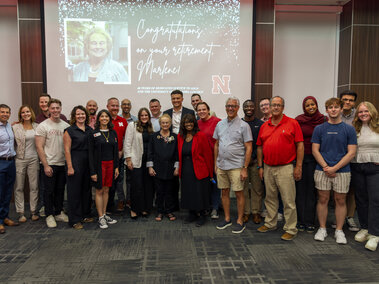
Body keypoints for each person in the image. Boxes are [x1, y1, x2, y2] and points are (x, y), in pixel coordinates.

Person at [256, 96, 304, 241]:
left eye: (278, 105)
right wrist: (260, 166)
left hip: (286, 167)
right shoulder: (265, 125)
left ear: (283, 107)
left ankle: (290, 228)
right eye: (273, 105)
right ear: (269, 107)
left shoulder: (292, 123)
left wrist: (299, 166)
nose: (275, 107)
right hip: (268, 167)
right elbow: (259, 147)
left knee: (288, 200)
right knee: (270, 198)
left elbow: (300, 145)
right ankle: (270, 223)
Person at [312, 98, 357, 244]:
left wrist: (335, 168)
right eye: (330, 107)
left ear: (341, 109)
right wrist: (326, 167)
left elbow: (351, 153)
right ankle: (323, 228)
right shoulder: (319, 129)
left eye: (336, 107)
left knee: (340, 200)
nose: (333, 109)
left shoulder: (349, 129)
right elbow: (315, 150)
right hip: (322, 170)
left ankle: (339, 230)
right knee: (323, 199)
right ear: (326, 110)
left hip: (342, 171)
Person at [214, 97, 252, 234]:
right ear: (225, 107)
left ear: (238, 108)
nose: (230, 108)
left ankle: (240, 221)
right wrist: (215, 164)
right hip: (222, 165)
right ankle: (227, 218)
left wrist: (245, 168)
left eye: (233, 106)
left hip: (237, 166)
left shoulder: (244, 126)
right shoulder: (220, 124)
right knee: (224, 192)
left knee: (238, 193)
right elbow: (217, 144)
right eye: (228, 106)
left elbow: (248, 147)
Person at [35, 99, 70, 228]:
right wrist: (45, 165)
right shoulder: (43, 126)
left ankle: (58, 212)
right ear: (49, 109)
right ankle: (49, 215)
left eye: (57, 108)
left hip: (62, 164)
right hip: (49, 163)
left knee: (60, 190)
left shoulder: (66, 126)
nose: (55, 110)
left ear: (61, 109)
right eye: (53, 108)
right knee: (49, 191)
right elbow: (39, 147)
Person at [295, 96, 327, 233]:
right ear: (304, 107)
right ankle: (300, 220)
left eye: (312, 104)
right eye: (307, 105)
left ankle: (310, 221)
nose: (310, 107)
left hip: (318, 159)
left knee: (313, 191)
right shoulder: (299, 120)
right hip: (302, 158)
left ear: (316, 105)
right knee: (300, 191)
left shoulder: (324, 120)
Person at [351, 102, 379, 251]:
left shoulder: (378, 127)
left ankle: (375, 234)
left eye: (366, 111)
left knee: (375, 200)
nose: (363, 114)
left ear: (372, 112)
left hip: (375, 167)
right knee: (361, 199)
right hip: (357, 166)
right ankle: (365, 227)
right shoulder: (355, 129)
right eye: (360, 112)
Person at [178, 114, 213, 226]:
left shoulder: (200, 135)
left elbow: (207, 155)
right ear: (183, 124)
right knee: (188, 192)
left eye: (191, 122)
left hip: (199, 169)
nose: (188, 124)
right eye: (186, 122)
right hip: (185, 169)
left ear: (194, 123)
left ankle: (202, 215)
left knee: (199, 192)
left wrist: (211, 173)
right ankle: (192, 213)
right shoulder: (180, 136)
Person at [163, 90, 195, 210]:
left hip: (185, 145)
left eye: (178, 98)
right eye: (173, 98)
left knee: (186, 176)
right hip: (170, 146)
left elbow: (192, 129)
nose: (175, 100)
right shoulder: (166, 113)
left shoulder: (189, 112)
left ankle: (188, 204)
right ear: (171, 99)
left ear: (182, 99)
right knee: (172, 177)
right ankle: (173, 205)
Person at [63, 106, 93, 230]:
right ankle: (74, 220)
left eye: (83, 114)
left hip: (88, 162)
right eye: (78, 114)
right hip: (75, 161)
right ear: (74, 116)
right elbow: (66, 150)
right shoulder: (69, 130)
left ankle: (85, 214)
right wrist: (70, 166)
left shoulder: (90, 130)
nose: (81, 116)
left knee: (86, 189)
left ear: (86, 115)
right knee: (74, 192)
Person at [88, 109, 119, 229]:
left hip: (111, 165)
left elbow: (115, 151)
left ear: (109, 119)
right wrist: (93, 171)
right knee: (99, 190)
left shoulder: (113, 133)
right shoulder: (93, 133)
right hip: (99, 166)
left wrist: (116, 167)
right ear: (98, 119)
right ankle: (100, 217)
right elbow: (90, 154)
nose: (105, 118)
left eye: (107, 116)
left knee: (107, 190)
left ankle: (105, 214)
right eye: (102, 116)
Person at [147, 114, 179, 221]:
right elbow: (150, 153)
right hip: (157, 168)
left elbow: (177, 154)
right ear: (160, 124)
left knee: (170, 191)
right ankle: (160, 211)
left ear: (170, 124)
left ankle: (169, 211)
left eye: (167, 123)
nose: (165, 124)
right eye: (163, 123)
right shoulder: (154, 136)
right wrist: (150, 167)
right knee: (159, 191)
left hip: (171, 169)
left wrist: (177, 167)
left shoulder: (175, 137)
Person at [124, 108, 154, 219]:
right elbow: (127, 142)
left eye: (146, 115)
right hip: (136, 160)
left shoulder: (151, 127)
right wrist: (128, 159)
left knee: (147, 186)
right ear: (139, 116)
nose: (144, 117)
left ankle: (144, 208)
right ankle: (134, 209)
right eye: (142, 115)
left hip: (148, 161)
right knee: (136, 186)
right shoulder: (132, 125)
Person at [12, 105, 40, 222]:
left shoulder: (37, 127)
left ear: (31, 113)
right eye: (23, 112)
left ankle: (33, 212)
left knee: (34, 186)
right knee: (19, 187)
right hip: (20, 159)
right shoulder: (15, 127)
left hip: (34, 159)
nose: (26, 114)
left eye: (28, 111)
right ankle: (21, 213)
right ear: (20, 115)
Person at [339, 90, 359, 232]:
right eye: (345, 99)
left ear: (354, 103)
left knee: (352, 190)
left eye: (350, 100)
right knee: (338, 191)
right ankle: (338, 217)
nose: (347, 102)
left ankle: (350, 217)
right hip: (337, 159)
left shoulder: (359, 116)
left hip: (354, 159)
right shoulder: (334, 112)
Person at [196, 102, 221, 219]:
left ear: (208, 110)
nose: (201, 112)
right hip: (202, 159)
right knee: (205, 184)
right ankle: (207, 206)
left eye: (203, 109)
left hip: (216, 158)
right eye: (199, 110)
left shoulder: (218, 122)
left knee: (215, 183)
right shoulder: (197, 124)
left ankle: (215, 207)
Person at [241, 100, 264, 224]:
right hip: (241, 163)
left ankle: (256, 212)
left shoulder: (260, 124)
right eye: (246, 106)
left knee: (257, 189)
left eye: (251, 106)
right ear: (243, 108)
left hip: (255, 161)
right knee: (243, 189)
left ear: (255, 108)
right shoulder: (239, 123)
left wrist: (252, 158)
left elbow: (260, 144)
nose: (249, 108)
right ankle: (246, 212)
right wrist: (245, 160)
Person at [106, 98, 127, 212]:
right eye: (112, 105)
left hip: (119, 155)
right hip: (107, 157)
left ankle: (120, 200)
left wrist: (122, 151)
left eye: (116, 106)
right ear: (107, 106)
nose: (115, 108)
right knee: (108, 181)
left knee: (119, 180)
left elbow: (126, 138)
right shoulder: (104, 119)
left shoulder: (123, 121)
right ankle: (108, 204)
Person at [0, 104, 18, 234]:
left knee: (7, 192)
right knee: (0, 193)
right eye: (2, 112)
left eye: (7, 112)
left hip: (11, 162)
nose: (5, 114)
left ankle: (5, 217)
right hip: (0, 162)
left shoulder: (9, 126)